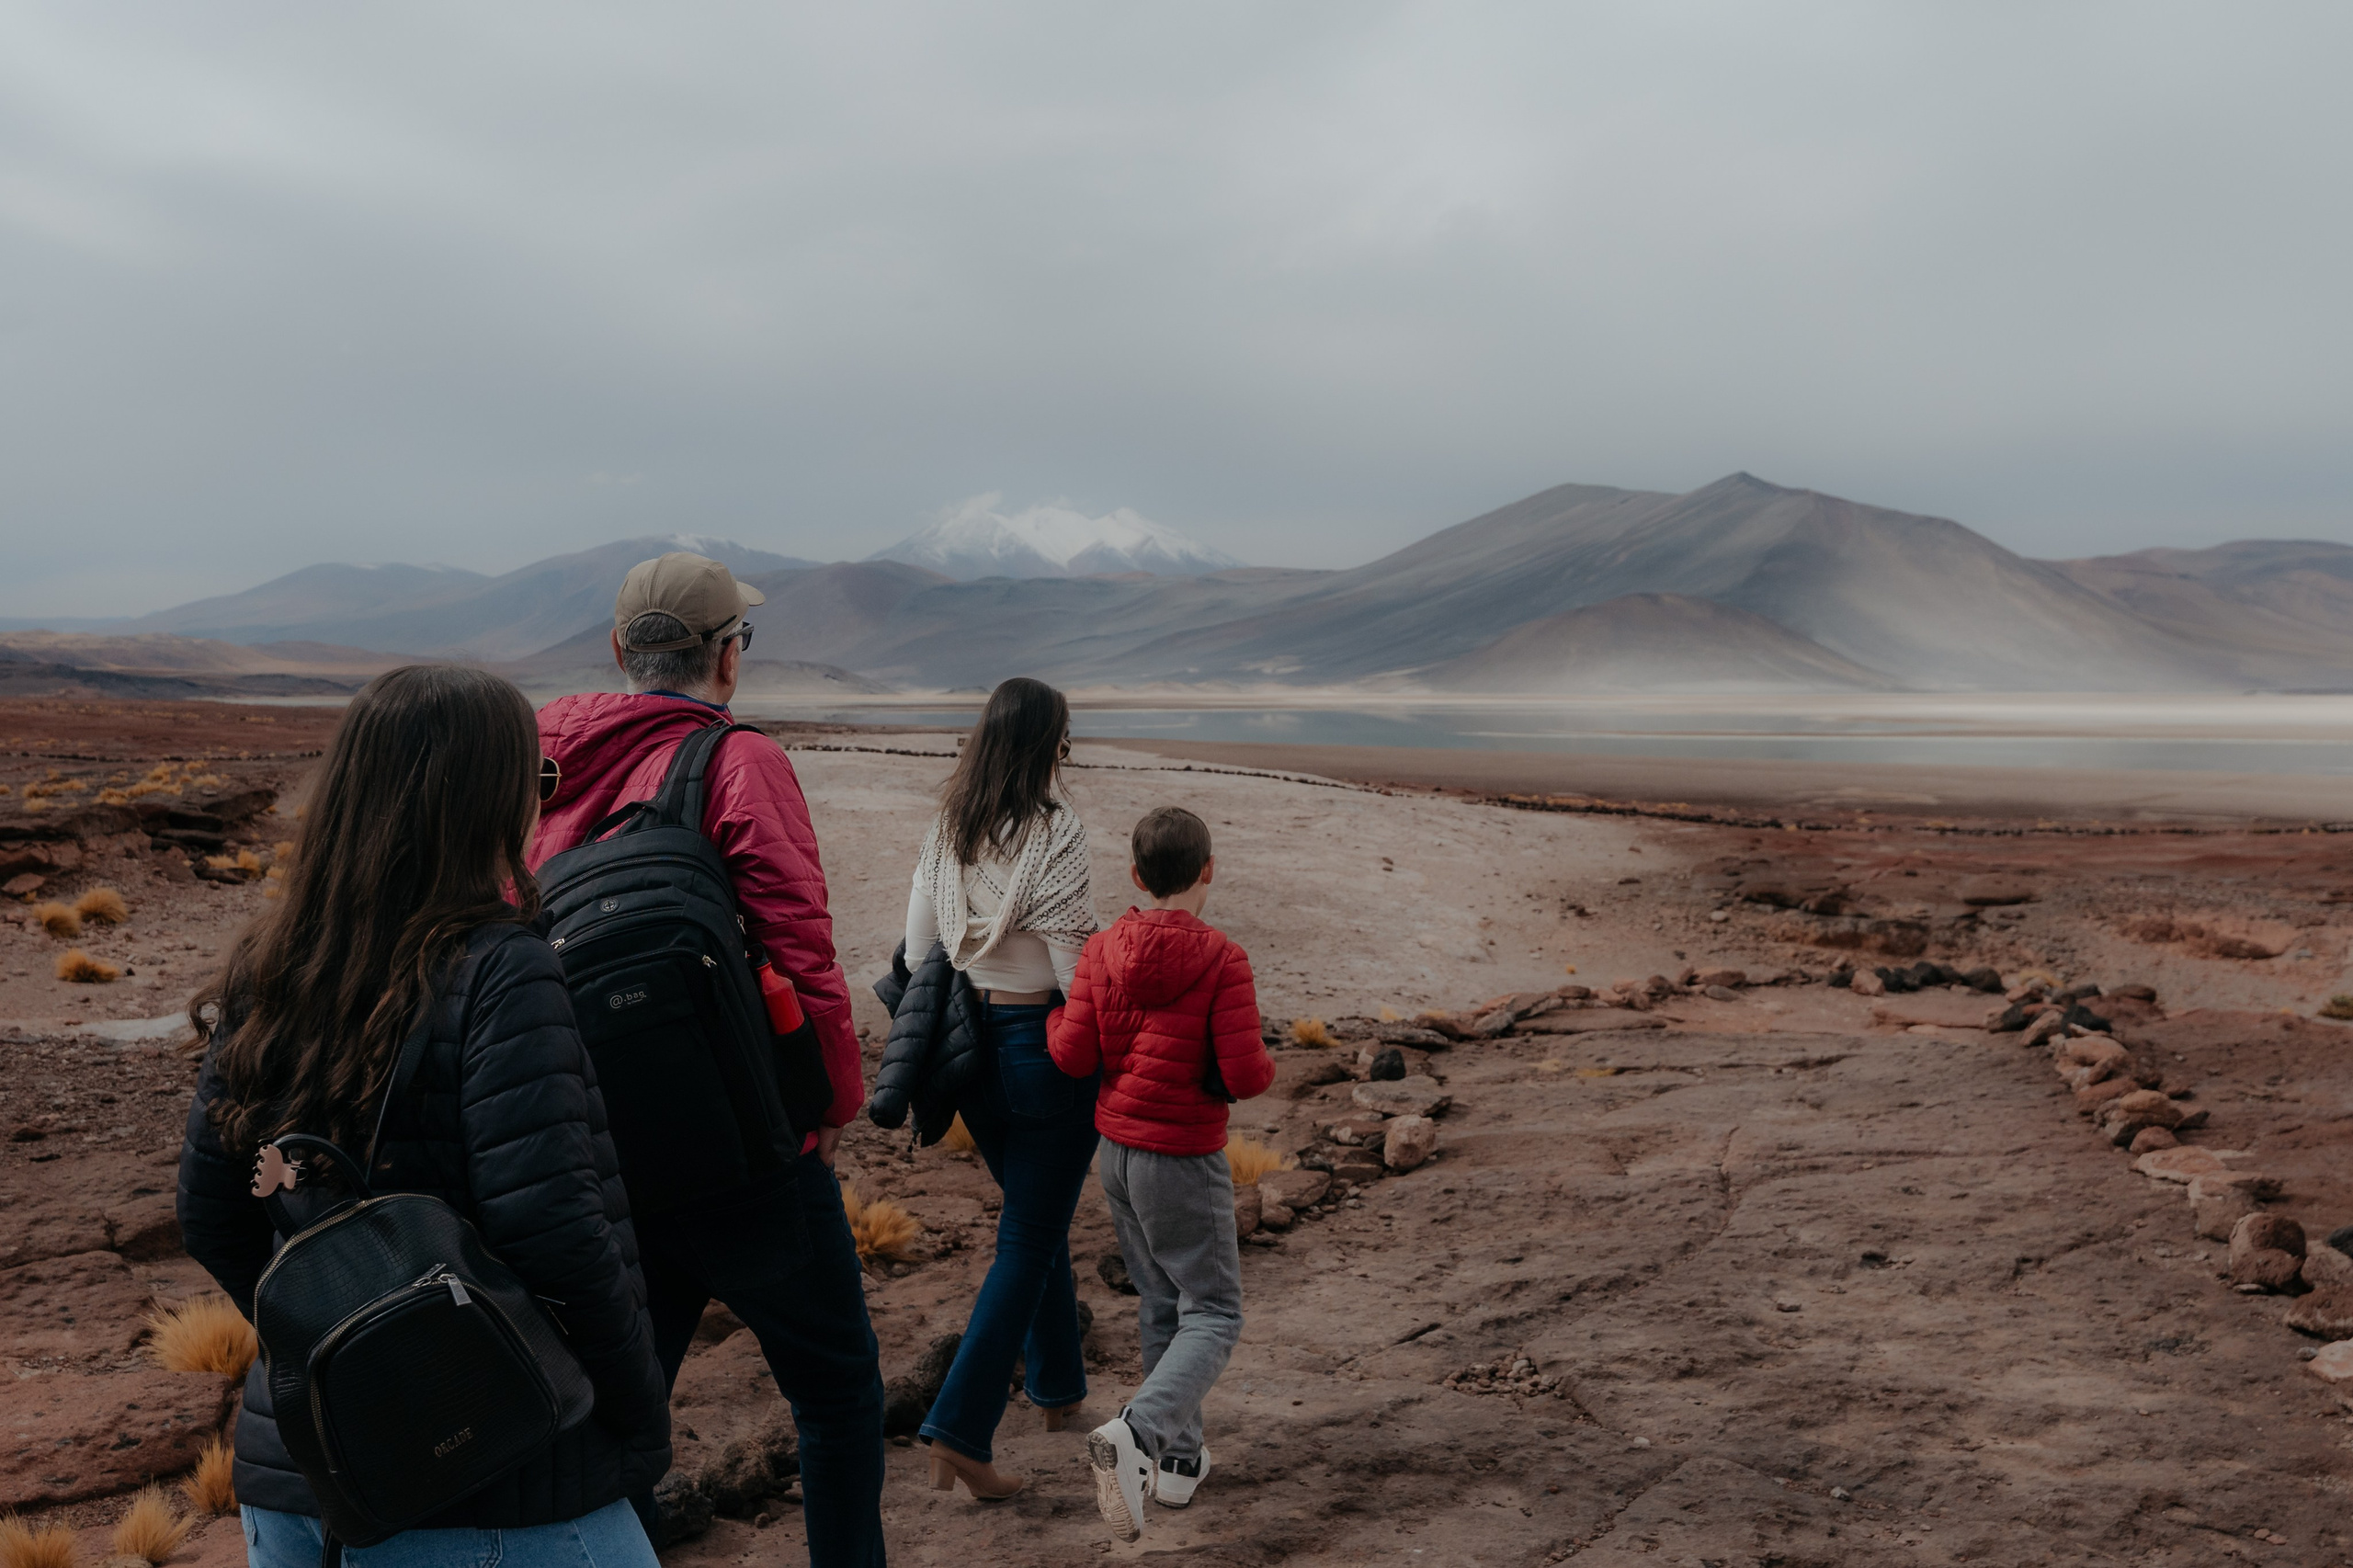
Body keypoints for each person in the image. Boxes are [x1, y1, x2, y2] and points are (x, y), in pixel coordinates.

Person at [176, 665, 671, 1568]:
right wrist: (632, 1406)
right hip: (492, 1481)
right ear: (483, 801)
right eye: (534, 780)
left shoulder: (270, 970)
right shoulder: (502, 971)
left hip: (297, 1479)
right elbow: (557, 1233)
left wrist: (342, 1356)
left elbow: (212, 1207)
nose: (537, 804)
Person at [528, 551, 884, 1567]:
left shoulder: (546, 772)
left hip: (601, 1156)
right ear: (728, 656)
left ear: (617, 651)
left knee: (622, 1417)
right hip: (745, 1149)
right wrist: (826, 1105)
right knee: (838, 1390)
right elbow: (800, 946)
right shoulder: (737, 760)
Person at [893, 676, 1100, 1500]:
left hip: (968, 1053)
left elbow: (915, 955)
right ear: (1050, 744)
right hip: (1040, 1045)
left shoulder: (950, 827)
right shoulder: (1058, 831)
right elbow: (1072, 967)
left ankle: (1057, 1390)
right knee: (1028, 1235)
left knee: (1033, 1218)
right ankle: (959, 1431)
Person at [1047, 805, 1273, 1542]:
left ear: (1137, 876)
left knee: (1160, 1303)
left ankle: (1178, 1465)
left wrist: (1051, 1021)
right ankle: (1138, 1436)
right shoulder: (1222, 958)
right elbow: (1246, 1073)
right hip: (1182, 1155)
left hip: (1115, 1154)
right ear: (1208, 870)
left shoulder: (1102, 949)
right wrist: (1256, 1061)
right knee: (1213, 1311)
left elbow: (1074, 1057)